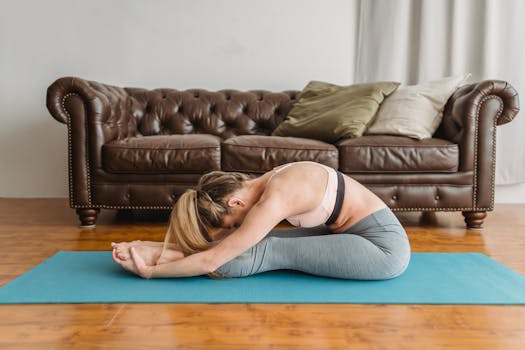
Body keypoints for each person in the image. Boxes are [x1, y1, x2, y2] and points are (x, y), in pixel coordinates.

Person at [112, 161, 411, 280]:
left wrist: (152, 273)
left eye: (231, 222)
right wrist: (160, 243)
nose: (234, 227)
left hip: (383, 250)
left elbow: (211, 262)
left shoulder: (276, 195)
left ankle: (163, 256)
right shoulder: (272, 178)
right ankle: (165, 250)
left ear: (235, 202)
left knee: (262, 252)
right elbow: (227, 244)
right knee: (254, 243)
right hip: (352, 233)